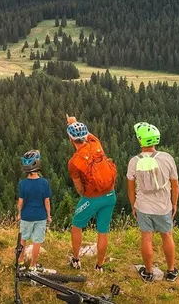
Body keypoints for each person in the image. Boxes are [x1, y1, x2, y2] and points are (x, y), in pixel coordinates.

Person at [127, 122, 179, 282]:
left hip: (143, 206)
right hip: (163, 207)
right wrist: (174, 204)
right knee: (167, 236)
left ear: (141, 140)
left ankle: (148, 273)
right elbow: (175, 184)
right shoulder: (167, 158)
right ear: (156, 140)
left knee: (147, 238)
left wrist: (133, 205)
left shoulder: (134, 161)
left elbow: (130, 187)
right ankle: (170, 272)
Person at [65, 115, 117, 273]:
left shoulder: (74, 162)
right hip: (110, 195)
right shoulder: (96, 144)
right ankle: (99, 266)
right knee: (103, 230)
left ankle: (76, 259)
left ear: (71, 139)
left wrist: (86, 196)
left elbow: (79, 188)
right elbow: (87, 134)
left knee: (77, 225)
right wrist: (75, 122)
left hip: (91, 198)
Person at [17, 150, 52, 270]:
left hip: (26, 216)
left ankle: (20, 262)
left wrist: (19, 214)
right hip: (40, 216)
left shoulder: (23, 184)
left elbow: (20, 201)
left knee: (23, 239)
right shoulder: (44, 183)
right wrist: (48, 216)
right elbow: (46, 201)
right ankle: (33, 265)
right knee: (37, 241)